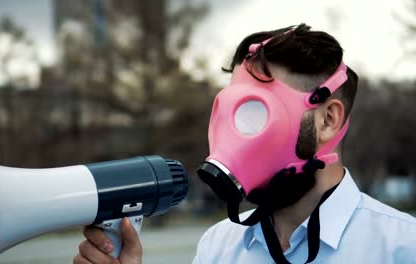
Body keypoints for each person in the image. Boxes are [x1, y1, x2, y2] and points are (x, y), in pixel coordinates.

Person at [73, 24, 416, 264]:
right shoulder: (218, 247)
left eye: (256, 113)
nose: (236, 136)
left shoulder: (402, 248)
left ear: (328, 120)